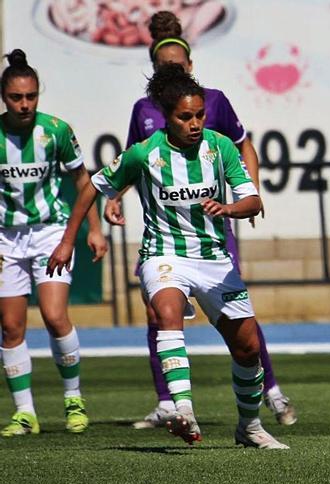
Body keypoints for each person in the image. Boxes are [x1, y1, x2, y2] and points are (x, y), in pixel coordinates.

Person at [48, 63, 288, 449]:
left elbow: (254, 201)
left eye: (199, 115)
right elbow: (93, 186)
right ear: (167, 116)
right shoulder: (144, 153)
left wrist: (229, 208)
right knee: (167, 313)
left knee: (248, 348)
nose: (194, 123)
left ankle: (249, 427)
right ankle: (183, 409)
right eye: (185, 117)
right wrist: (67, 240)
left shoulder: (220, 146)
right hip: (164, 255)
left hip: (214, 259)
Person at [103, 11, 296, 429]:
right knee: (159, 314)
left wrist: (249, 195)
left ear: (190, 67)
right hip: (165, 236)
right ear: (155, 74)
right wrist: (115, 197)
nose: (172, 72)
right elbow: (133, 162)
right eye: (163, 68)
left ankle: (272, 391)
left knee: (239, 318)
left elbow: (244, 149)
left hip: (212, 234)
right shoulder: (144, 110)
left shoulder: (215, 102)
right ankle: (169, 403)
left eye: (178, 66)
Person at [0, 49, 108, 436]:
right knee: (11, 327)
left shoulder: (57, 131)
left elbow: (84, 181)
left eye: (31, 96)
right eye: (16, 97)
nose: (25, 104)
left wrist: (93, 230)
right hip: (6, 240)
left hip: (50, 232)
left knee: (54, 316)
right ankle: (25, 412)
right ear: (4, 97)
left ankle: (73, 399)